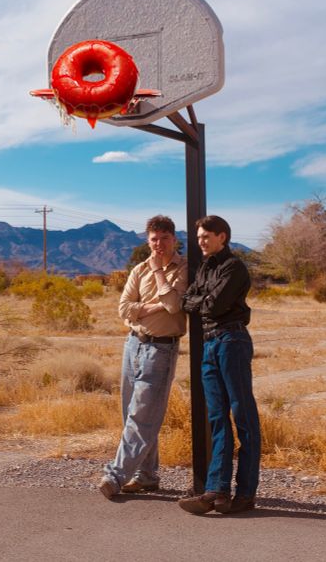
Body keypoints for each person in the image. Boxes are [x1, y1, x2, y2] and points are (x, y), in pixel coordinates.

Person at [99, 215, 187, 499]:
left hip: (161, 349)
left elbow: (174, 305)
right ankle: (146, 475)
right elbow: (124, 309)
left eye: (164, 238)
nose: (158, 244)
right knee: (131, 415)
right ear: (147, 240)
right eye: (153, 239)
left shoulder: (184, 269)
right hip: (133, 345)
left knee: (142, 416)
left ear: (174, 239)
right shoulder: (138, 269)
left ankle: (116, 476)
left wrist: (160, 273)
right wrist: (154, 305)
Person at [178, 215, 260, 515]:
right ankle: (218, 491)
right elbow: (186, 302)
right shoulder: (204, 268)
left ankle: (246, 492)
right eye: (199, 237)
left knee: (243, 416)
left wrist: (202, 300)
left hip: (232, 342)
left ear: (222, 237)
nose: (201, 241)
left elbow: (213, 305)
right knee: (217, 418)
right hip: (210, 345)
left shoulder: (233, 267)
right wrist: (202, 299)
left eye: (206, 236)